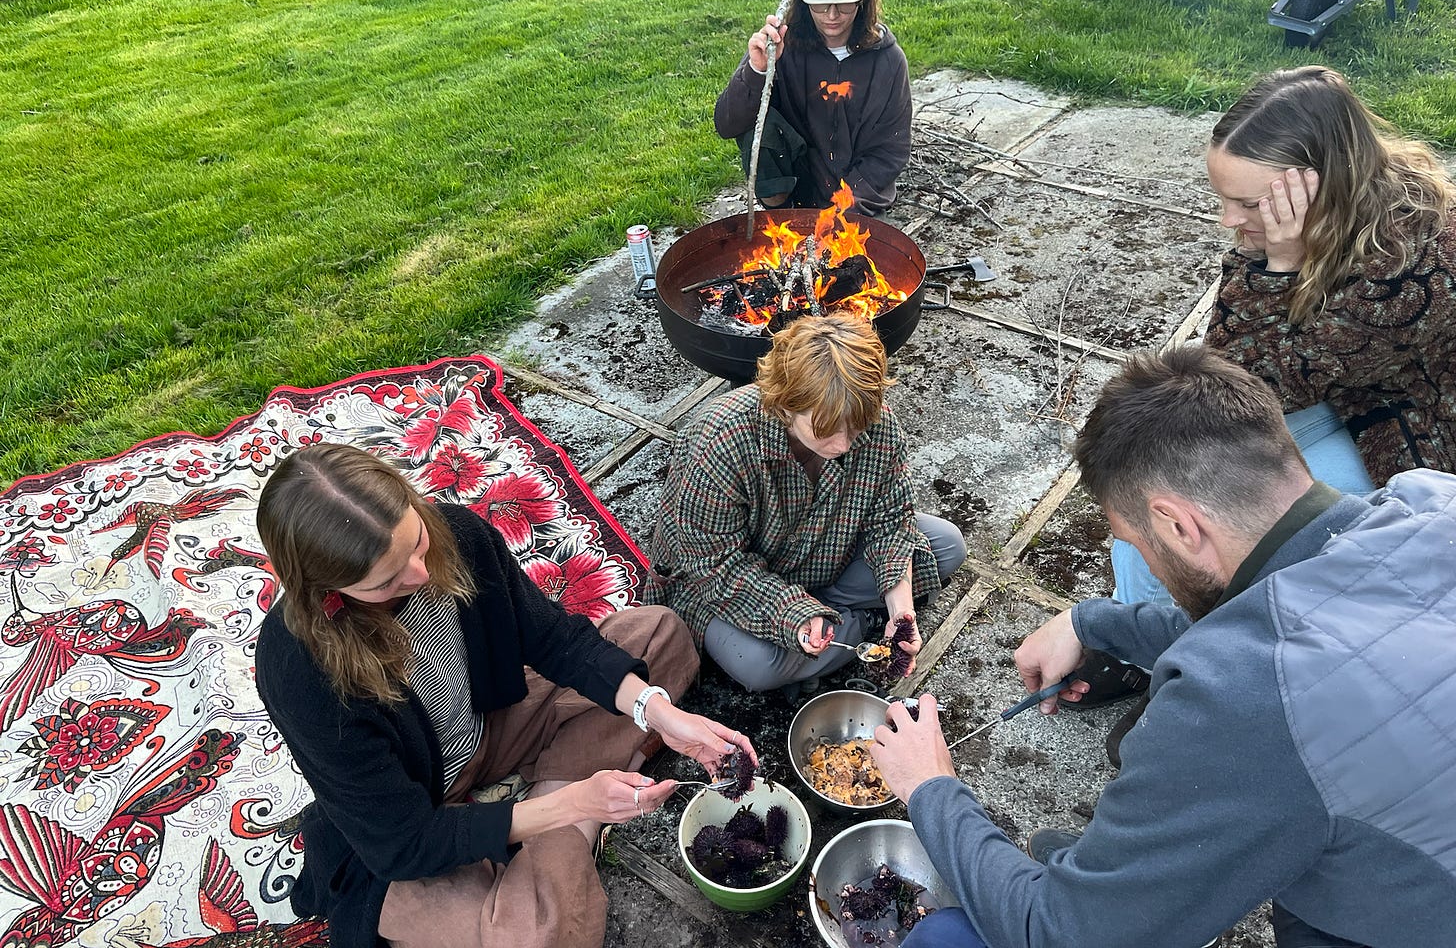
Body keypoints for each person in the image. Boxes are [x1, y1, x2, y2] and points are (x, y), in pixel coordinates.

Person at [869, 345, 1456, 948]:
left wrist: (930, 788)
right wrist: (1089, 622)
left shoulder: (1243, 706)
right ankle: (1115, 878)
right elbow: (1296, 618)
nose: (1142, 558)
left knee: (945, 937)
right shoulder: (1431, 500)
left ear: (1177, 525)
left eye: (1134, 540)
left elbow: (1057, 935)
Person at [253, 443, 756, 948]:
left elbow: (553, 639)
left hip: (484, 729)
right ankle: (562, 821)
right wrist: (573, 803)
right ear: (326, 591)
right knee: (534, 936)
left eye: (417, 542)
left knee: (659, 635)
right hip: (412, 817)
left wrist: (659, 713)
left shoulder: (458, 534)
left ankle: (548, 819)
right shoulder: (299, 668)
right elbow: (403, 844)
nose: (421, 575)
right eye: (388, 581)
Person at [1113, 65, 1456, 611]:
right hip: (1335, 389)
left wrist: (1279, 265)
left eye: (1249, 205)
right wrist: (1270, 257)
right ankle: (1140, 629)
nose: (1228, 219)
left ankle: (1155, 643)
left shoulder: (1410, 269)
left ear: (1320, 185)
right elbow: (1225, 366)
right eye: (1224, 197)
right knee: (1156, 495)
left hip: (1404, 430)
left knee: (1203, 526)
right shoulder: (1329, 217)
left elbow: (1259, 384)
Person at [647, 313, 966, 701]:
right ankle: (854, 621)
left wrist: (901, 612)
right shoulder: (719, 441)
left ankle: (836, 629)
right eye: (828, 429)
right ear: (786, 404)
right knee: (758, 663)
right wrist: (792, 614)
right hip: (729, 586)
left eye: (857, 426)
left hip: (826, 552)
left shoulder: (877, 424)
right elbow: (713, 567)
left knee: (948, 545)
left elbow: (892, 523)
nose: (845, 444)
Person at [714, 0, 912, 216]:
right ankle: (780, 215)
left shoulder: (889, 60)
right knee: (757, 117)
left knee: (857, 258)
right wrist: (757, 69)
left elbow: (891, 149)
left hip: (858, 201)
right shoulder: (781, 46)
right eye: (821, 4)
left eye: (844, 3)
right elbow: (727, 124)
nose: (832, 15)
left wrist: (842, 208)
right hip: (797, 192)